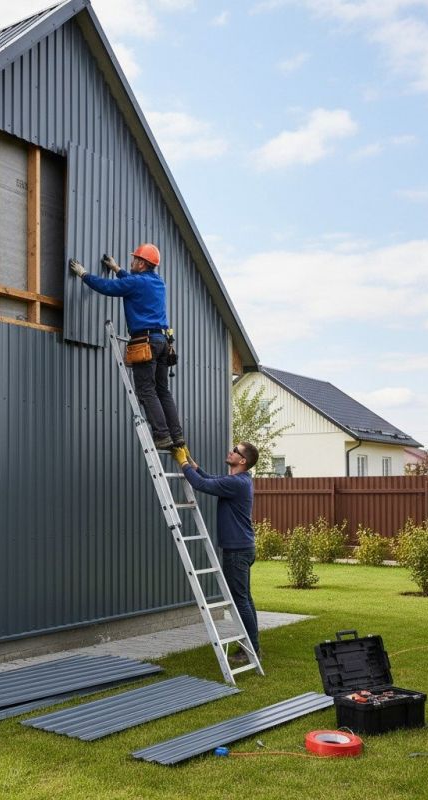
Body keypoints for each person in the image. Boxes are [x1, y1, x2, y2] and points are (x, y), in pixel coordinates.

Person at [69, 244, 185, 451]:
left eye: (134, 259)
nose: (131, 262)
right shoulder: (158, 282)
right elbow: (132, 282)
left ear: (141, 263)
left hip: (145, 342)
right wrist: (117, 269)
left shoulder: (136, 282)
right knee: (162, 391)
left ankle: (161, 435)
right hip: (162, 342)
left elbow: (107, 287)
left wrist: (84, 274)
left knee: (146, 390)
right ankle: (176, 435)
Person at [174, 441, 261, 663]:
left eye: (235, 451)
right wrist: (194, 465)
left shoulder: (237, 483)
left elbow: (202, 485)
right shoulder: (238, 481)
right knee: (245, 600)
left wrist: (182, 463)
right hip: (243, 548)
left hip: (237, 552)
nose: (230, 451)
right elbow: (210, 479)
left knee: (240, 601)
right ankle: (252, 647)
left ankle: (249, 651)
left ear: (242, 461)